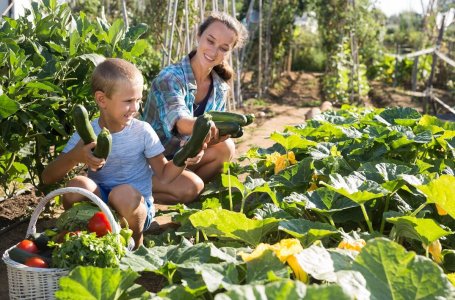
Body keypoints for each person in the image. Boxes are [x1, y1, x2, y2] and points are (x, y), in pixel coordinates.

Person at [41, 58, 203, 247]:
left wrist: (184, 157)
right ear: (102, 100)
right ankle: (78, 233)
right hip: (99, 207)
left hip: (134, 207)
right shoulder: (88, 132)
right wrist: (75, 156)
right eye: (128, 101)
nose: (135, 108)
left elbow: (165, 175)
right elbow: (47, 177)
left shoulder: (142, 131)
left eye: (138, 100)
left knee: (122, 194)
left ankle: (136, 243)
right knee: (77, 185)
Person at [143, 11, 248, 205]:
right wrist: (202, 131)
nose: (214, 51)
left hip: (181, 157)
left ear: (229, 52)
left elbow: (206, 138)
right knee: (192, 187)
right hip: (150, 162)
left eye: (223, 48)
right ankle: (129, 193)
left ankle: (186, 192)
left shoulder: (219, 87)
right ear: (199, 36)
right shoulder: (170, 78)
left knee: (226, 147)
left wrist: (203, 144)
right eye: (210, 41)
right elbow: (181, 123)